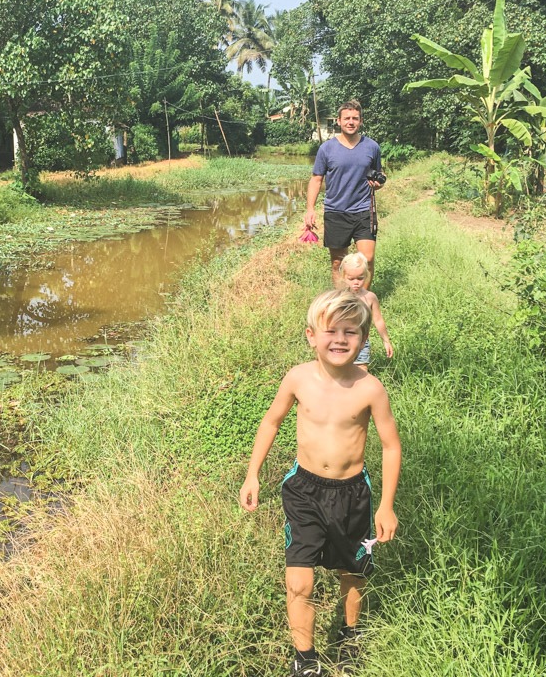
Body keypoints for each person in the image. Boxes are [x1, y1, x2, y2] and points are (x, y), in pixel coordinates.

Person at [239, 290, 401, 676]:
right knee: (299, 582)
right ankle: (306, 660)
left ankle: (349, 636)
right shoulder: (298, 378)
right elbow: (271, 422)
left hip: (353, 494)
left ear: (362, 340)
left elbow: (391, 446)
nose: (341, 339)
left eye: (351, 331)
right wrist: (252, 474)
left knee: (353, 573)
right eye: (331, 330)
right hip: (304, 490)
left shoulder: (370, 388)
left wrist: (386, 504)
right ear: (312, 335)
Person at [303, 100, 384, 288]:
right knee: (338, 263)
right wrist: (310, 209)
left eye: (355, 118)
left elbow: (380, 173)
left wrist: (378, 183)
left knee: (368, 259)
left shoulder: (372, 147)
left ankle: (362, 304)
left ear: (361, 121)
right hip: (336, 211)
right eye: (346, 118)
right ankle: (343, 303)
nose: (351, 122)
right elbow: (316, 179)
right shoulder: (327, 149)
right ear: (338, 121)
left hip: (364, 210)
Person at [338, 252, 393, 368]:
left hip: (362, 342)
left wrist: (386, 341)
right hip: (342, 341)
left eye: (360, 278)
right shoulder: (340, 298)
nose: (356, 282)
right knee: (341, 371)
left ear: (366, 276)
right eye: (351, 279)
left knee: (361, 371)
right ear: (343, 276)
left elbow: (378, 320)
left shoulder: (370, 297)